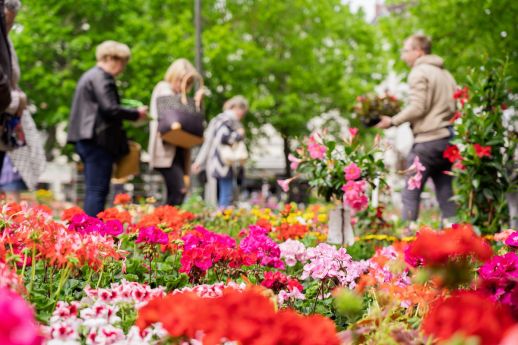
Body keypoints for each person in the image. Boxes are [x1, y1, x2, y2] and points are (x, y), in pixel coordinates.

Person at [377, 34, 457, 224]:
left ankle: (406, 238)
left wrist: (393, 121)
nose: (403, 55)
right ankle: (457, 241)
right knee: (446, 193)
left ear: (418, 51)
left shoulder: (419, 72)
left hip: (427, 142)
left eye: (406, 50)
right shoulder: (446, 74)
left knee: (410, 193)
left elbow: (418, 107)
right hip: (446, 140)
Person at [67, 40, 148, 216]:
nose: (122, 68)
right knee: (97, 190)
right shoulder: (102, 77)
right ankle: (92, 235)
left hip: (86, 139)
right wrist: (136, 114)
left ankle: (89, 233)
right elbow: (110, 108)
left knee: (93, 189)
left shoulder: (89, 76)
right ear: (111, 58)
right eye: (122, 62)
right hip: (98, 141)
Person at [0, 0, 46, 201]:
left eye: (11, 23)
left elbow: (10, 79)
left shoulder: (7, 41)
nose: (8, 28)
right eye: (6, 23)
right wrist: (16, 100)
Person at [148, 59, 204, 206]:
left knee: (177, 191)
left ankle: (168, 223)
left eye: (187, 83)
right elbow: (174, 112)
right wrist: (194, 102)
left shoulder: (180, 95)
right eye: (180, 80)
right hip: (165, 150)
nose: (183, 86)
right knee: (178, 189)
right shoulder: (164, 88)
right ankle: (165, 223)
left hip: (179, 149)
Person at [192, 96, 248, 208]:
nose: (243, 115)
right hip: (222, 164)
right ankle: (221, 217)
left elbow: (208, 143)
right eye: (243, 111)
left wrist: (199, 161)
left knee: (221, 195)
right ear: (237, 108)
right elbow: (223, 137)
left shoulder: (219, 119)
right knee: (225, 196)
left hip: (217, 163)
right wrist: (239, 135)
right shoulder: (226, 120)